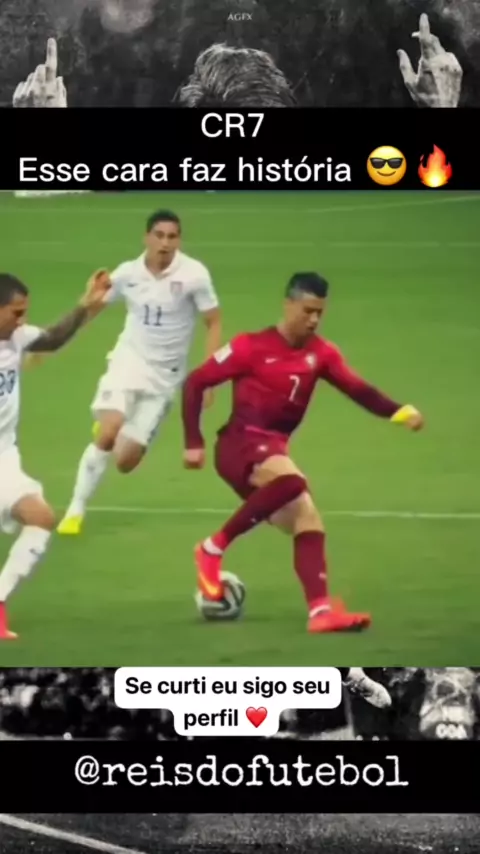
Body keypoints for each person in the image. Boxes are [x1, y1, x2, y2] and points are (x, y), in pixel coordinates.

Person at [181, 272, 424, 633]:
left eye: (319, 313)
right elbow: (196, 382)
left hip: (273, 447)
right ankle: (211, 549)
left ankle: (319, 612)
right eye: (307, 311)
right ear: (288, 304)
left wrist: (397, 411)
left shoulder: (321, 354)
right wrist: (193, 441)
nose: (313, 320)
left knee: (307, 519)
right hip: (239, 445)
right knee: (293, 482)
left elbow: (358, 389)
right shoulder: (250, 346)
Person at [57, 209, 221, 535]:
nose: (165, 243)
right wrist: (67, 329)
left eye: (172, 236)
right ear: (146, 237)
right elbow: (93, 307)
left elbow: (213, 321)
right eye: (159, 235)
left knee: (124, 461)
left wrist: (210, 378)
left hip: (165, 378)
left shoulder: (194, 275)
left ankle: (115, 429)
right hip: (129, 361)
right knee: (108, 432)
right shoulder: (127, 273)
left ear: (179, 240)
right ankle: (75, 509)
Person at [0, 270, 111, 640]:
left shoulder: (16, 338)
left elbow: (52, 338)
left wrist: (85, 305)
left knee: (41, 518)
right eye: (16, 312)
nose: (23, 319)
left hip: (4, 457)